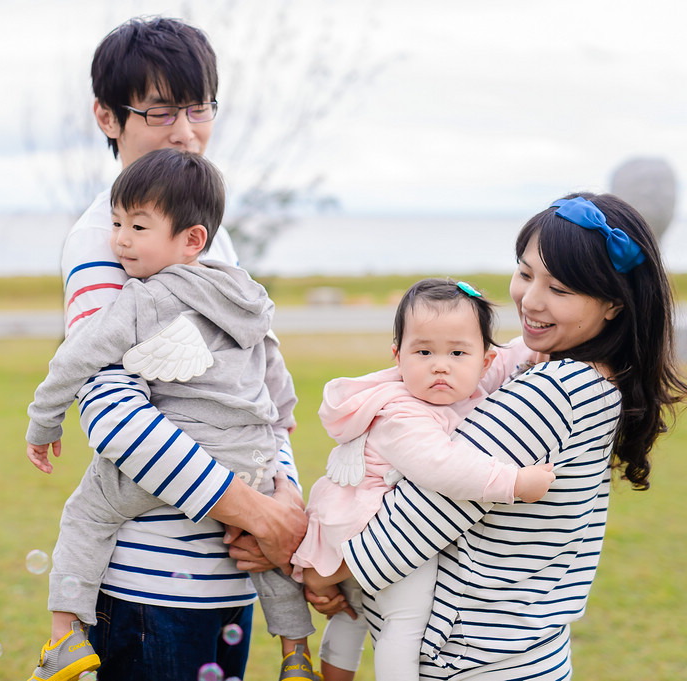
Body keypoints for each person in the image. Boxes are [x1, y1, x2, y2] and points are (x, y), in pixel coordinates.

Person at [310, 193, 687, 679]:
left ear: (613, 304)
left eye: (561, 289)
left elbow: (429, 509)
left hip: (474, 662)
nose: (531, 300)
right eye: (526, 273)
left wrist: (322, 568)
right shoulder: (575, 372)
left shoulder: (558, 391)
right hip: (510, 654)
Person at [42, 17, 310, 681]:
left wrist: (286, 500)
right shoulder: (110, 244)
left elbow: (255, 387)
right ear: (107, 117)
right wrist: (257, 511)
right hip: (153, 593)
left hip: (229, 579)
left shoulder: (204, 235)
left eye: (199, 107)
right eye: (160, 111)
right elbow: (111, 413)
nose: (187, 131)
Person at [292, 279, 556, 680]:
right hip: (377, 530)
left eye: (456, 352)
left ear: (483, 361)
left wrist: (540, 345)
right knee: (405, 622)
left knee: (353, 613)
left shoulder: (462, 384)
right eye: (424, 351)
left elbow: (508, 358)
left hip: (351, 524)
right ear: (398, 357)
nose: (440, 364)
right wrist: (514, 483)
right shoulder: (403, 413)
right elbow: (442, 466)